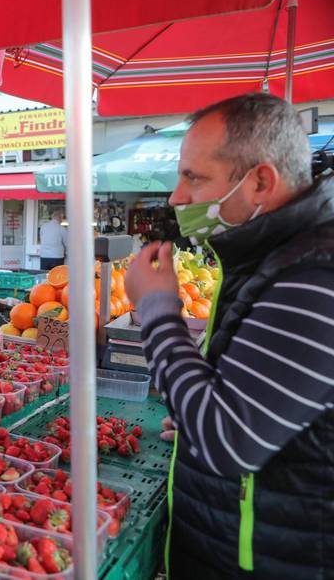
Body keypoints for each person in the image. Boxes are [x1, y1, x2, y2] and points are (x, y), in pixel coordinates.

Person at [125, 93, 334, 579]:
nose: (177, 197)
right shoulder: (271, 258)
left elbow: (228, 442)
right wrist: (201, 413)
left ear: (260, 180)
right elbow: (245, 411)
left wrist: (157, 308)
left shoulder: (314, 276)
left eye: (193, 178)